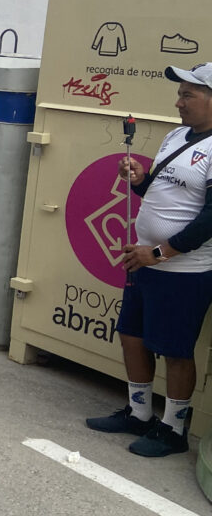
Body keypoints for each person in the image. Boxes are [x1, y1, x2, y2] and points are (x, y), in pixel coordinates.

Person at [86, 63, 212, 457]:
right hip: (145, 262)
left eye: (187, 95)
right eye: (180, 94)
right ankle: (139, 414)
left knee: (175, 350)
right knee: (132, 336)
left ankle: (173, 430)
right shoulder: (178, 135)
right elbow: (165, 195)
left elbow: (210, 218)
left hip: (183, 270)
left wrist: (158, 253)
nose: (178, 102)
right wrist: (139, 179)